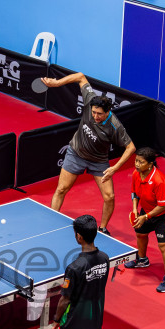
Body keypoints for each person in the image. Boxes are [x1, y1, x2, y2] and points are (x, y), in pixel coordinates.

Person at [43, 72, 135, 232]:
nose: (95, 116)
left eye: (99, 114)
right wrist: (56, 83)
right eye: (93, 112)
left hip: (98, 161)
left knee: (109, 197)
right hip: (76, 153)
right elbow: (80, 76)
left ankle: (103, 228)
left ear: (108, 112)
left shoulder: (115, 126)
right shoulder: (90, 99)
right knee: (61, 189)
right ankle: (51, 222)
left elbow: (131, 147)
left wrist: (115, 168)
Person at [130, 147, 165, 293]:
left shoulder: (159, 180)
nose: (137, 164)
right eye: (136, 161)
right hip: (147, 209)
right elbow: (134, 193)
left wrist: (145, 216)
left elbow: (163, 205)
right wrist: (135, 209)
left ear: (151, 164)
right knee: (140, 233)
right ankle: (142, 259)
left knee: (164, 245)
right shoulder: (136, 173)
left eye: (141, 162)